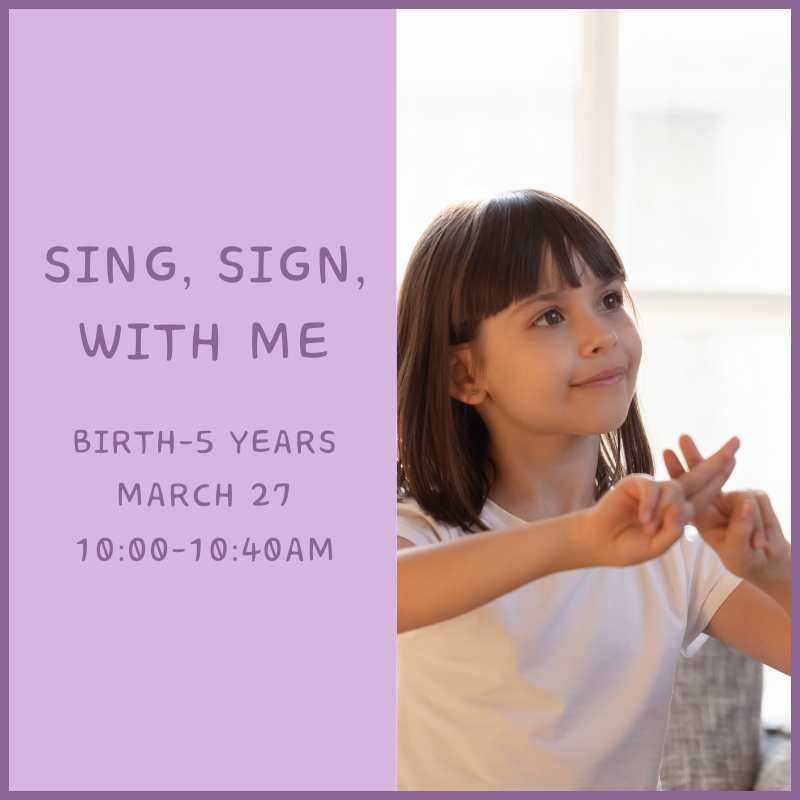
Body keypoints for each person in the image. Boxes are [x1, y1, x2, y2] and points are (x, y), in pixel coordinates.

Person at [396, 189, 791, 791]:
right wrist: (578, 540)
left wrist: (775, 571)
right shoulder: (423, 532)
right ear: (464, 373)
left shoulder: (671, 554)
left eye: (609, 300)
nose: (602, 334)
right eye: (549, 316)